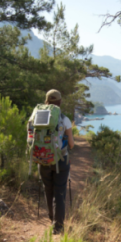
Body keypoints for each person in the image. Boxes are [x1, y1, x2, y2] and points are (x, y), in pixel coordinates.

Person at [38, 89, 74, 234]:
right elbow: (71, 143)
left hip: (42, 159)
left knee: (48, 190)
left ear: (46, 101)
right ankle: (58, 226)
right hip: (60, 160)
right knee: (59, 191)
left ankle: (52, 217)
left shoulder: (36, 116)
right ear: (59, 102)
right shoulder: (64, 119)